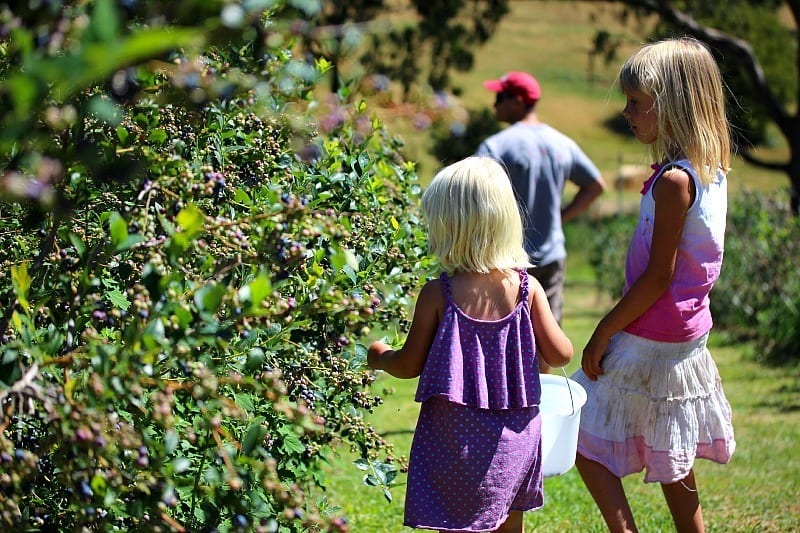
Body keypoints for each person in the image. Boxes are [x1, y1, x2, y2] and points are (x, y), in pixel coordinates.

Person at [571, 38, 736, 533]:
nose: (627, 112)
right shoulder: (711, 172)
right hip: (685, 335)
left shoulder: (674, 182)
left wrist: (604, 330)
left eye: (637, 103)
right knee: (671, 445)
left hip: (650, 335)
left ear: (675, 105)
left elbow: (657, 276)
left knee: (580, 430)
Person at [367, 156, 573, 533]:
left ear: (448, 228)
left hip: (453, 442)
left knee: (458, 522)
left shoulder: (437, 294)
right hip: (514, 439)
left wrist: (380, 356)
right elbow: (561, 353)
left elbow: (409, 364)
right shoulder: (527, 289)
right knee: (508, 520)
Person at [476, 70, 606, 373]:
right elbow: (595, 185)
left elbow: (477, 197)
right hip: (550, 256)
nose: (494, 105)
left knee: (500, 340)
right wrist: (562, 218)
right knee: (545, 341)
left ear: (518, 101)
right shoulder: (561, 143)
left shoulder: (496, 147)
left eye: (500, 98)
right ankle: (538, 407)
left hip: (504, 259)